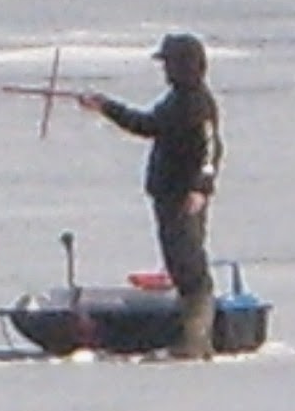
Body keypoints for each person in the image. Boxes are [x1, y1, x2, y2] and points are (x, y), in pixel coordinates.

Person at [78, 33, 223, 359]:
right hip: (169, 195)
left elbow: (212, 150)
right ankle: (191, 337)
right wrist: (106, 107)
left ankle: (196, 341)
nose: (165, 70)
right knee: (179, 264)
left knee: (190, 267)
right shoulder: (176, 99)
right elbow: (149, 126)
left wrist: (200, 188)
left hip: (184, 197)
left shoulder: (197, 101)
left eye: (169, 63)